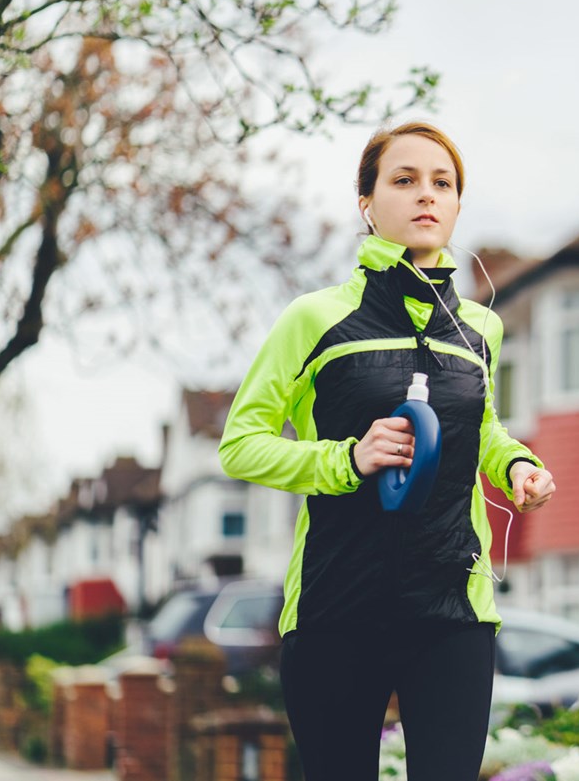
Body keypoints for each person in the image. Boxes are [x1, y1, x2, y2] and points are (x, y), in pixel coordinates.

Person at [218, 121, 556, 780]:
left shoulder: (481, 327)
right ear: (367, 203)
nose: (425, 195)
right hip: (335, 603)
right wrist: (346, 459)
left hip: (452, 607)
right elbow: (241, 445)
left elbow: (480, 427)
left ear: (458, 204)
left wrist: (516, 464)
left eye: (442, 183)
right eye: (404, 180)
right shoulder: (314, 318)